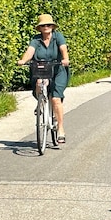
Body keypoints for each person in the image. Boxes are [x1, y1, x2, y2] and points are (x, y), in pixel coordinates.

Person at [17, 14, 70, 143]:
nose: (46, 27)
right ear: (39, 28)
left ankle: (61, 129)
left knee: (56, 99)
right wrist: (23, 60)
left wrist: (65, 59)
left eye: (48, 25)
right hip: (41, 68)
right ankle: (41, 102)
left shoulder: (58, 36)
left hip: (58, 70)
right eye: (43, 25)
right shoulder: (36, 39)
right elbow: (30, 51)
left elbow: (63, 48)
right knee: (39, 84)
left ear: (52, 26)